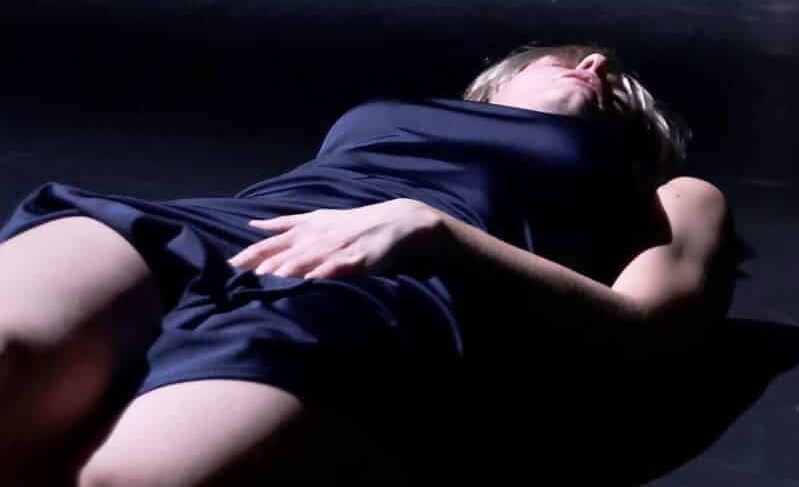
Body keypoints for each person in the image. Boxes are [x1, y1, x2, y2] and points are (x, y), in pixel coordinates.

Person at [0, 42, 730, 485]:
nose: (593, 63)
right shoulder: (400, 116)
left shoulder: (668, 192)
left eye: (615, 84)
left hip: (383, 281)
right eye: (566, 58)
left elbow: (646, 328)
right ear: (491, 88)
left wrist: (434, 232)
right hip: (219, 225)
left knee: (138, 477)